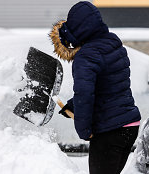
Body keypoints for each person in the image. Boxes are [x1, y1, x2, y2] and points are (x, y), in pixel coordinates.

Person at [49, 1, 141, 174]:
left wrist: (84, 130)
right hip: (129, 126)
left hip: (110, 131)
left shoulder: (86, 56)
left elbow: (85, 93)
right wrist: (73, 105)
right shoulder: (113, 43)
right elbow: (106, 85)